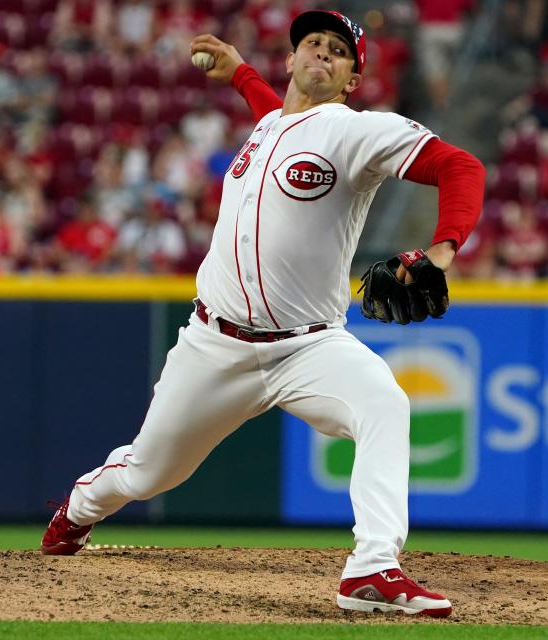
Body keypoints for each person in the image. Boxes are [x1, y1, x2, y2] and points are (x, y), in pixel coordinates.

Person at [40, 10, 485, 619]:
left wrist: (442, 248)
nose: (322, 55)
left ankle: (373, 566)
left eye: (337, 51)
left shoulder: (354, 132)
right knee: (148, 473)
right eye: (312, 44)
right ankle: (77, 513)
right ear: (291, 60)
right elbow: (280, 122)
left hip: (309, 346)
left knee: (386, 402)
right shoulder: (271, 124)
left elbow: (462, 167)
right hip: (213, 345)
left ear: (353, 79)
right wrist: (241, 75)